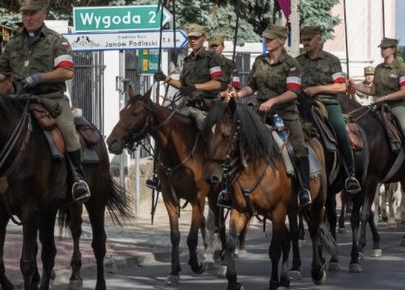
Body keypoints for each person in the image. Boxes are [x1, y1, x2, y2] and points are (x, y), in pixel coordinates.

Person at [0, 0, 90, 203]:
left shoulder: (56, 41)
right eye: (25, 14)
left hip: (51, 100)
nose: (28, 18)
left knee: (68, 131)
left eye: (33, 13)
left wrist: (39, 78)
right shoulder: (15, 43)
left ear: (43, 14)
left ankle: (78, 180)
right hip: (19, 100)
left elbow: (67, 72)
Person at [225, 22, 311, 210]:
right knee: (236, 142)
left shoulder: (291, 64)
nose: (267, 41)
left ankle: (304, 190)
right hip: (259, 113)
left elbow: (294, 92)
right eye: (266, 38)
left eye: (270, 39)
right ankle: (228, 190)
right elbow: (252, 86)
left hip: (285, 113)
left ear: (281, 41)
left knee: (298, 148)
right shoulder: (259, 61)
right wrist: (237, 95)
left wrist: (272, 101)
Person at [296, 25, 361, 194]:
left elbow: (340, 87)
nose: (305, 44)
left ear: (319, 39)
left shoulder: (332, 61)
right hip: (300, 103)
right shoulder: (298, 61)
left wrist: (317, 89)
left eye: (309, 40)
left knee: (340, 130)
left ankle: (350, 174)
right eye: (303, 40)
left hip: (327, 103)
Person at [349, 37, 405, 179]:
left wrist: (386, 97)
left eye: (385, 48)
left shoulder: (401, 68)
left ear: (393, 49)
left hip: (398, 105)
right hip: (379, 106)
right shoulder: (378, 69)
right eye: (381, 48)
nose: (382, 51)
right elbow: (373, 91)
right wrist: (355, 85)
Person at [154, 23, 225, 129]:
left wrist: (195, 87)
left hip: (208, 108)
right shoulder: (188, 60)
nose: (193, 40)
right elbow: (183, 86)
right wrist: (166, 78)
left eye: (196, 38)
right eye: (190, 37)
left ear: (204, 38)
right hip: (188, 106)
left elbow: (217, 83)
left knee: (207, 135)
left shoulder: (212, 58)